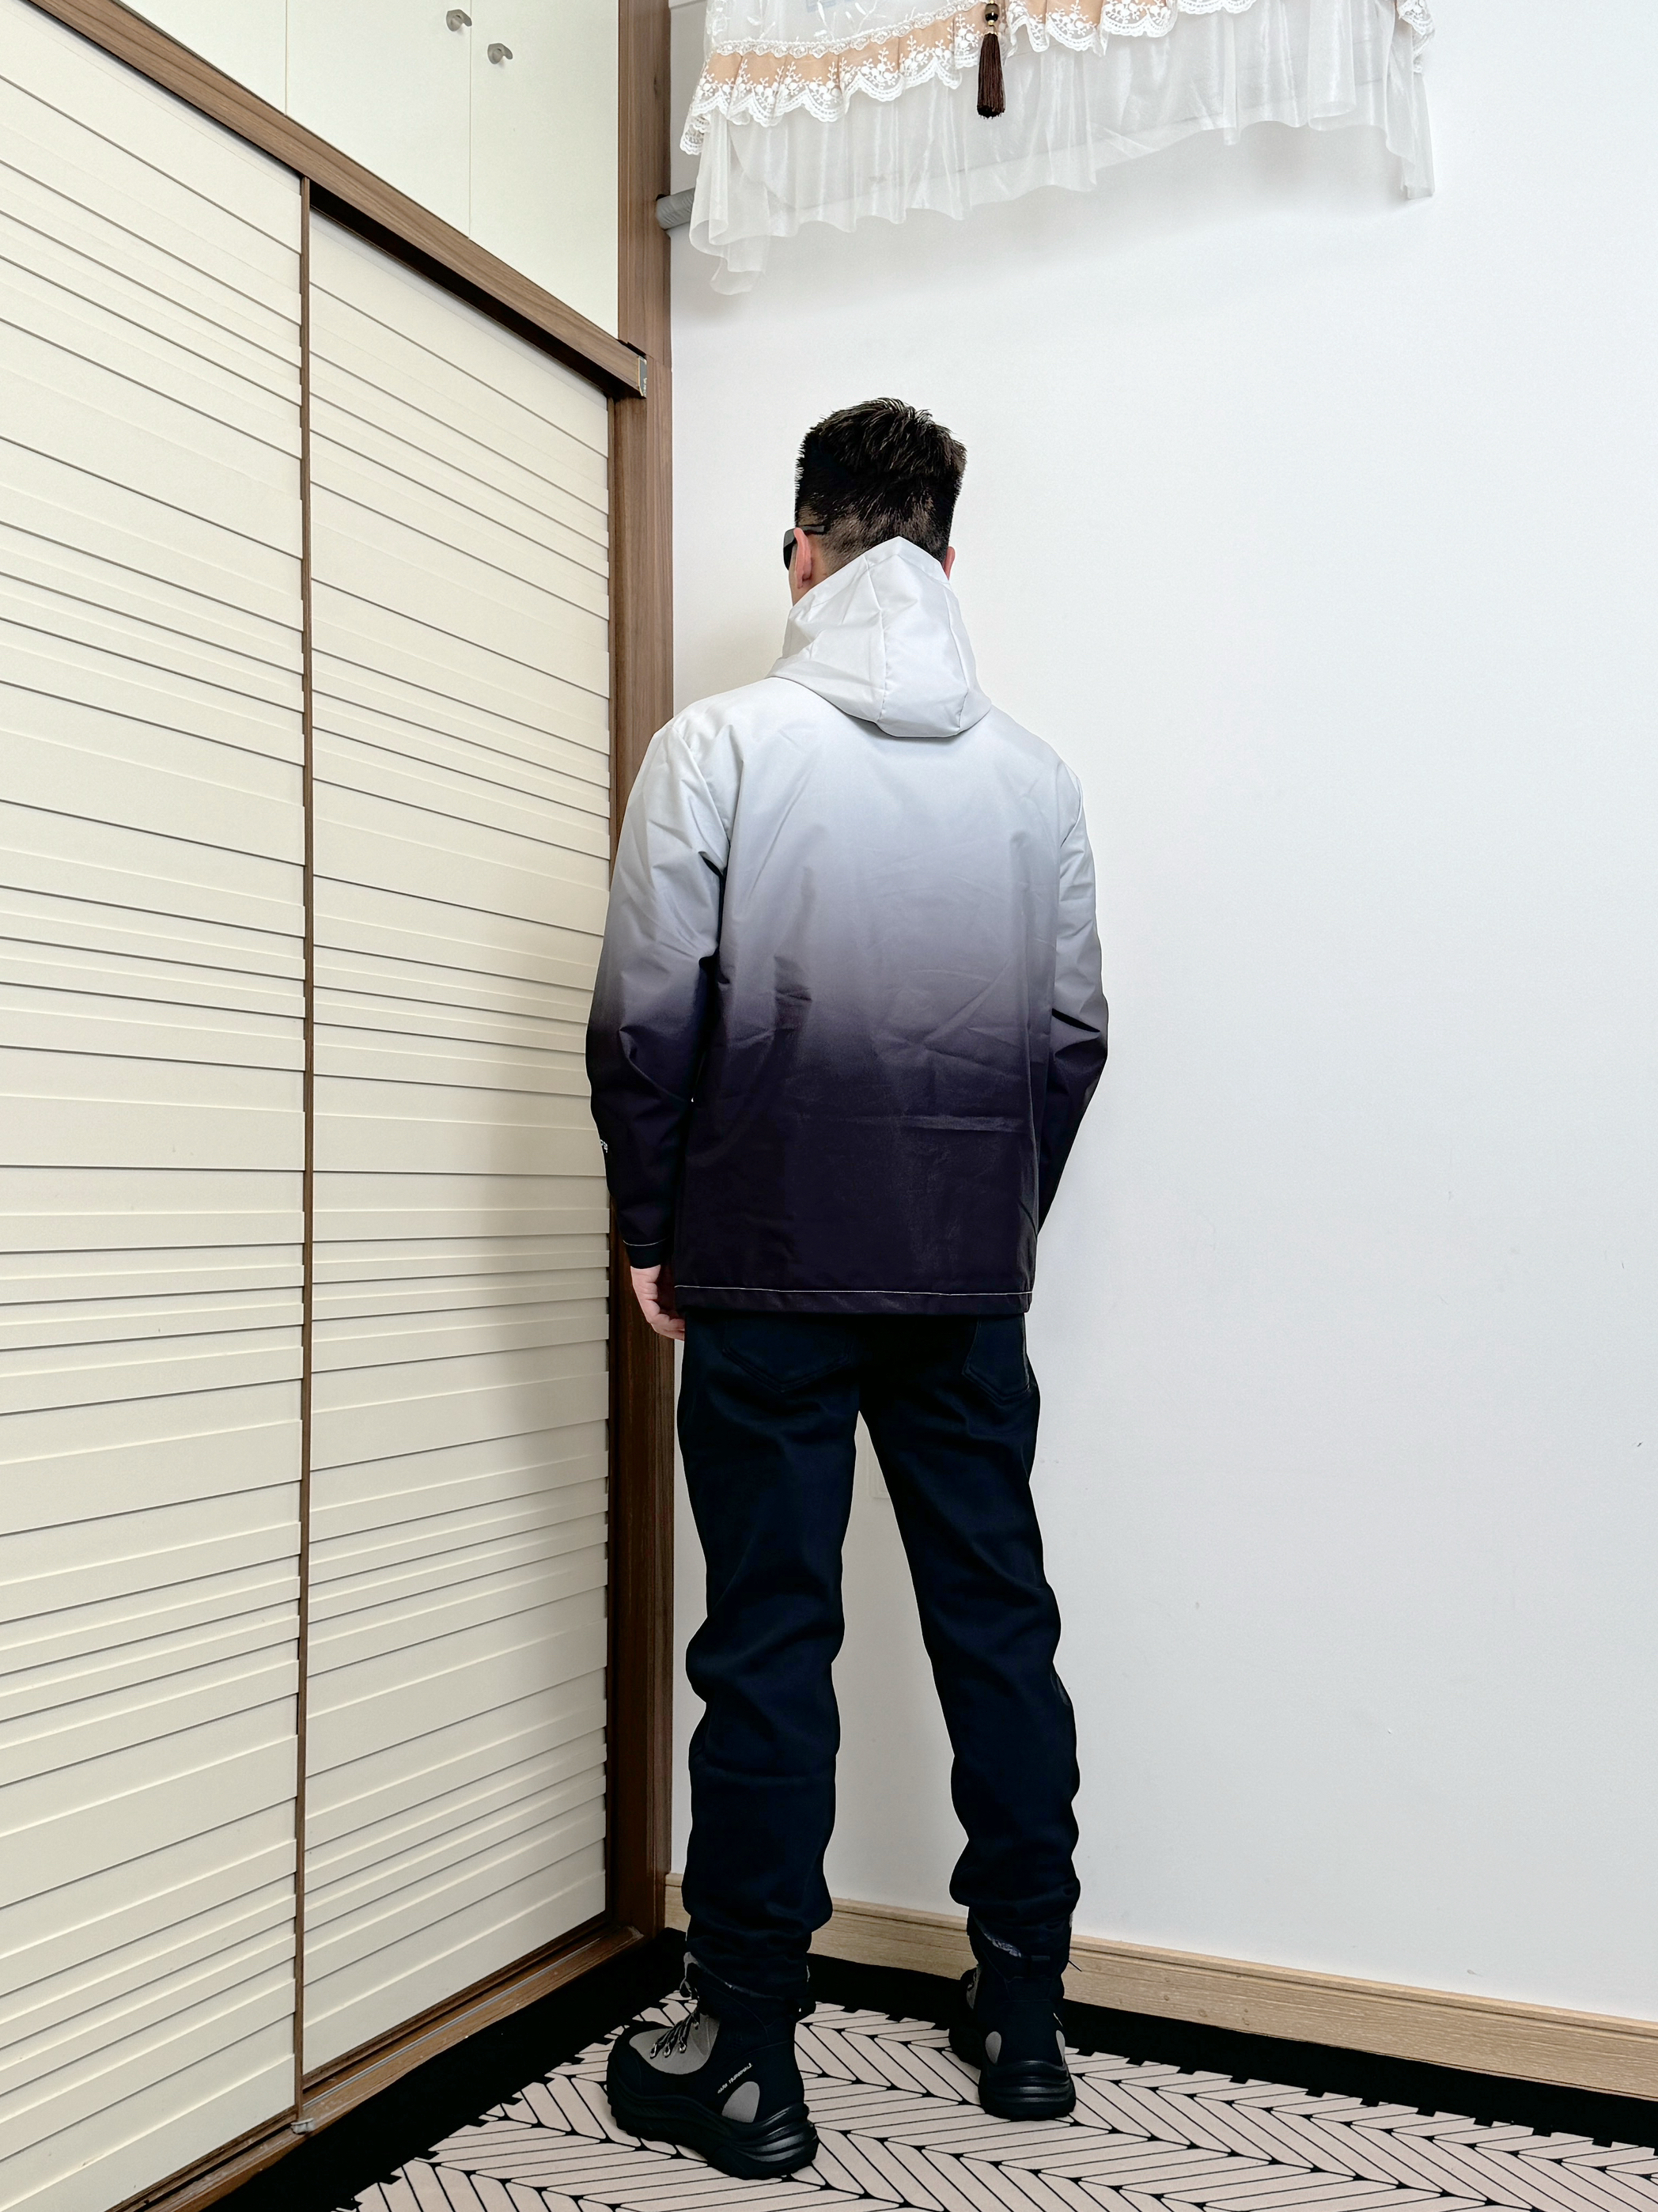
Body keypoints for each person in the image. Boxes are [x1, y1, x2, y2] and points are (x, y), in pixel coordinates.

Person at [585, 399, 1107, 2179]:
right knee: (998, 1621)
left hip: (767, 1269)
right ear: (947, 559)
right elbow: (1069, 1040)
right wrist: (983, 1220)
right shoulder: (1036, 781)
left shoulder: (718, 749)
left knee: (766, 1640)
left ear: (802, 552)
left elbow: (645, 1019)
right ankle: (1024, 2018)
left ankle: (744, 2051)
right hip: (962, 1279)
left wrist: (650, 1227)